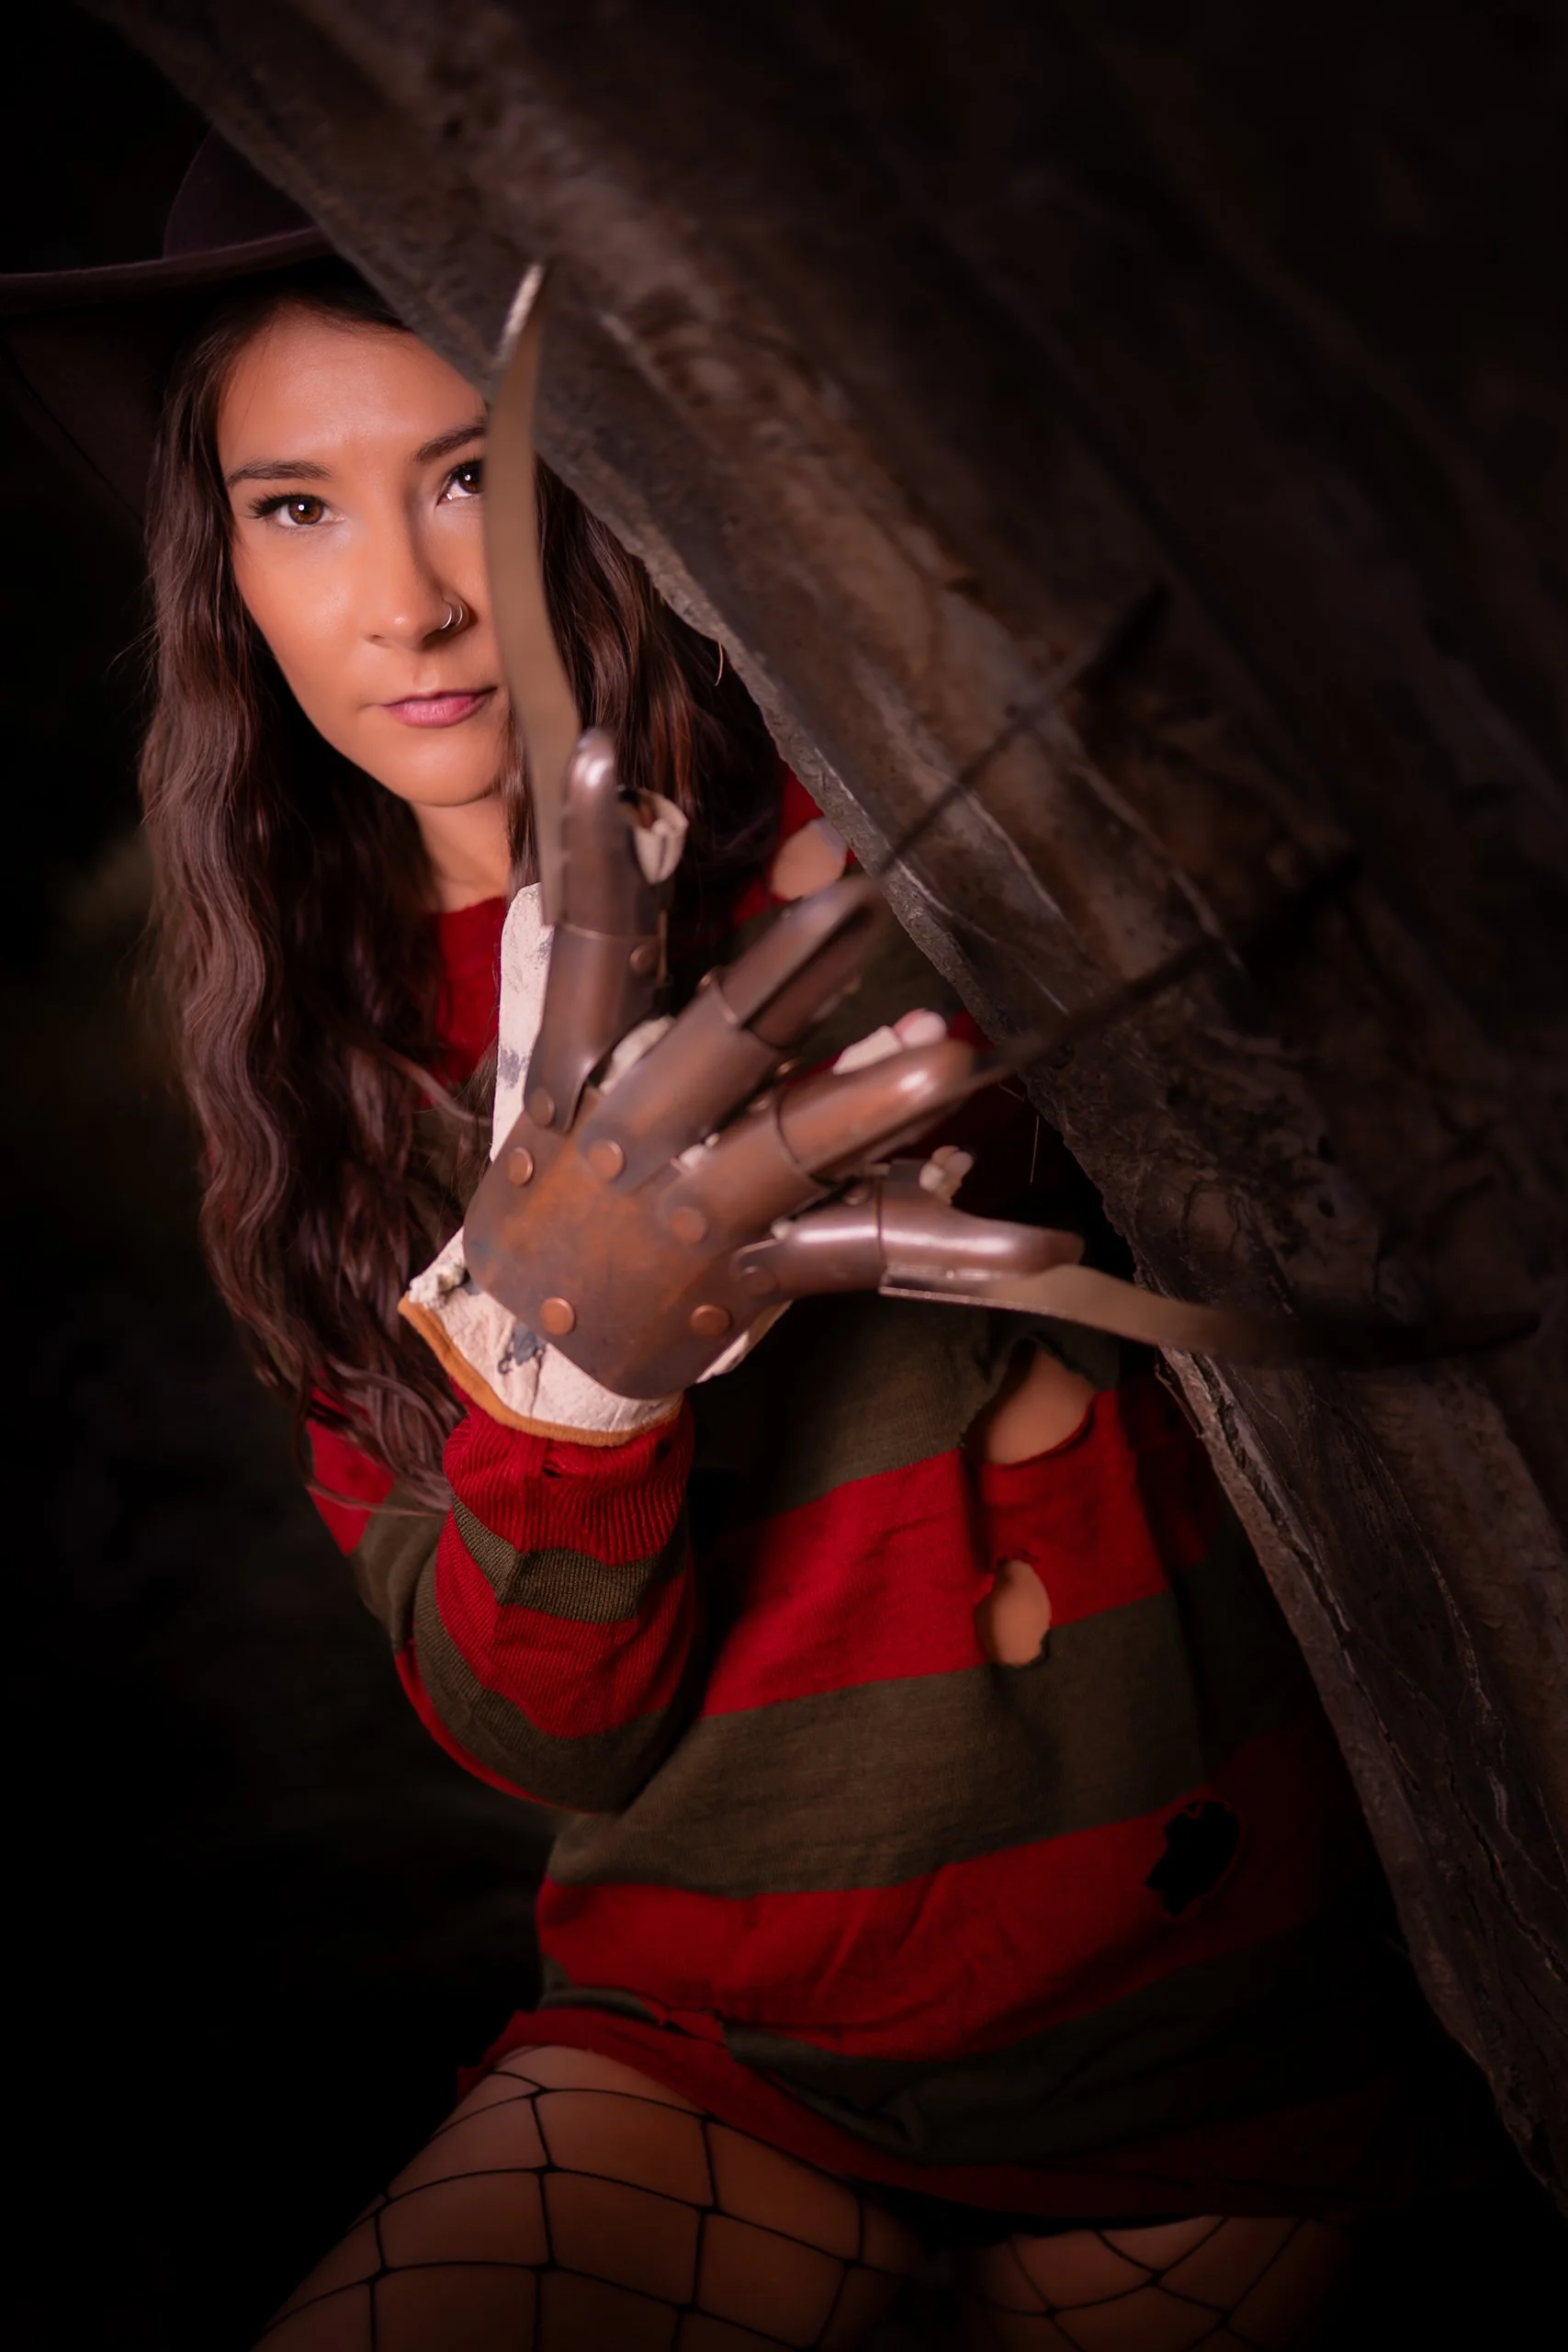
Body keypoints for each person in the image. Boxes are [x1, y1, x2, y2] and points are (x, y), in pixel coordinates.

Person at [4, 133, 1462, 2352]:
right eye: (295, 502)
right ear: (220, 565)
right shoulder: (314, 1076)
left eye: (470, 482)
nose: (404, 599)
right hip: (724, 2048)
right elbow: (533, 1727)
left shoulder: (856, 831)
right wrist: (558, 1370)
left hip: (1204, 2040)